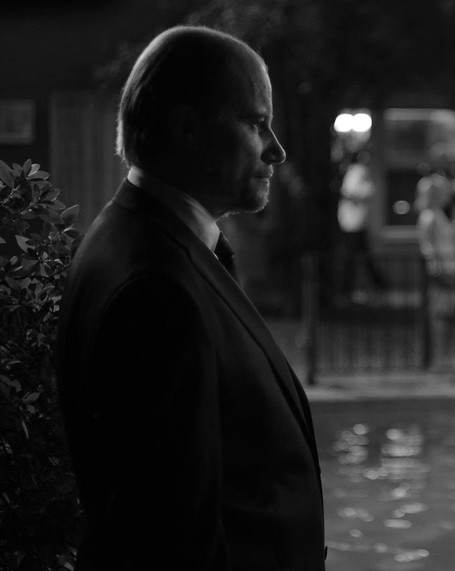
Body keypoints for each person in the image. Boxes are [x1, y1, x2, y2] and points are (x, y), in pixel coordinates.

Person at [54, 26, 326, 569]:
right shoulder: (157, 288)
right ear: (188, 129)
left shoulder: (138, 238)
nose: (276, 150)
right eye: (255, 123)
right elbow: (171, 536)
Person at [415, 173, 455, 370]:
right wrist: (438, 270)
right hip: (441, 272)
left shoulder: (438, 215)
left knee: (445, 314)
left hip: (447, 269)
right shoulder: (430, 217)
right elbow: (428, 247)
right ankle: (439, 358)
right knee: (439, 315)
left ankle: (444, 356)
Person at [336, 151, 387, 304]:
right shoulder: (354, 171)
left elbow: (363, 191)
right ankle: (376, 284)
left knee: (355, 257)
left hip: (355, 223)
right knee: (358, 256)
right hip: (351, 222)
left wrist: (349, 196)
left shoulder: (358, 171)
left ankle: (349, 288)